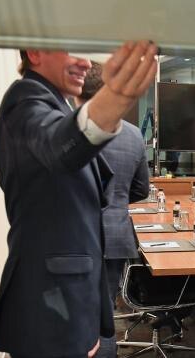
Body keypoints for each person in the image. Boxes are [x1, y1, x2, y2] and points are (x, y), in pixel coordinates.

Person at [0, 41, 157, 358]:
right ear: (34, 51)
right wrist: (116, 96)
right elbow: (60, 146)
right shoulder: (25, 100)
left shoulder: (55, 105)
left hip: (68, 303)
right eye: (72, 49)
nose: (85, 62)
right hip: (52, 305)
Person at [74, 61, 150, 358]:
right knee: (104, 317)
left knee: (78, 318)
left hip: (76, 238)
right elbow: (141, 189)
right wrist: (116, 200)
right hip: (116, 237)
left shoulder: (68, 129)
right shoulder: (132, 134)